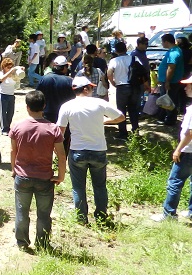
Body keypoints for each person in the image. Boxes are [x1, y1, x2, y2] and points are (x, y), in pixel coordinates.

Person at [57, 76, 125, 225]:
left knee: (78, 187)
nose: (93, 90)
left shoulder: (67, 106)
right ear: (86, 89)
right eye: (92, 87)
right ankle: (101, 217)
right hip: (98, 150)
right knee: (100, 186)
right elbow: (121, 117)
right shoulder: (99, 103)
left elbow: (59, 132)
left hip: (77, 151)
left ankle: (81, 218)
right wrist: (107, 121)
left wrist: (58, 154)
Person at [10, 91, 66, 250]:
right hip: (44, 178)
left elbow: (13, 151)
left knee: (21, 212)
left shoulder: (17, 127)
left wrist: (13, 169)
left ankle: (22, 243)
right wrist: (60, 176)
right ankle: (42, 244)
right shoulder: (53, 129)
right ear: (44, 106)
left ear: (27, 107)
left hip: (22, 176)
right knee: (43, 214)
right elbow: (61, 155)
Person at [153, 75, 192, 221]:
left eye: (189, 85)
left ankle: (169, 214)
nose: (186, 88)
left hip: (188, 151)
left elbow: (190, 133)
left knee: (175, 181)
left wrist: (178, 149)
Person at [108, 41, 140, 138]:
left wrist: (113, 83)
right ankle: (135, 131)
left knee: (121, 111)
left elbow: (109, 73)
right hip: (134, 86)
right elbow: (142, 70)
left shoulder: (114, 61)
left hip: (121, 87)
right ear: (126, 49)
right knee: (133, 109)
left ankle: (123, 133)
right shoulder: (134, 58)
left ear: (116, 51)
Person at [36, 56, 75, 124]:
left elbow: (37, 96)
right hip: (64, 116)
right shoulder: (69, 81)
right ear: (64, 67)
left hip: (46, 115)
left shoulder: (44, 78)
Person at [158, 33, 184, 126]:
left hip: (171, 81)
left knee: (169, 100)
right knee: (171, 99)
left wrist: (167, 81)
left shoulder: (173, 52)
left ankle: (170, 120)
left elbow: (171, 68)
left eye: (162, 42)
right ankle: (167, 117)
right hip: (172, 81)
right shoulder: (175, 50)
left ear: (166, 42)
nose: (162, 44)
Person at [0, 57, 18, 134]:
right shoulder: (0, 73)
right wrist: (11, 71)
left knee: (10, 112)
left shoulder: (13, 74)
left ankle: (8, 127)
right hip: (3, 94)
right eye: (8, 67)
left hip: (11, 95)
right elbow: (1, 79)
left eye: (11, 67)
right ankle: (4, 129)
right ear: (4, 67)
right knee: (2, 113)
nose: (10, 68)